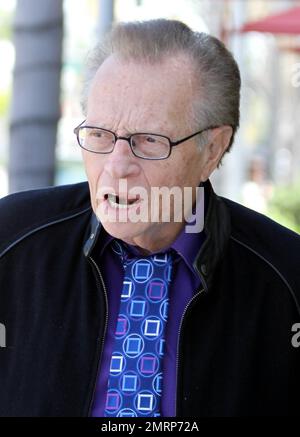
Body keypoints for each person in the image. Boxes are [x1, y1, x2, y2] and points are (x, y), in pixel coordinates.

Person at [0, 19, 299, 418]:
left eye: (149, 141)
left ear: (212, 150)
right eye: (100, 135)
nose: (116, 166)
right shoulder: (10, 242)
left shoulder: (287, 278)